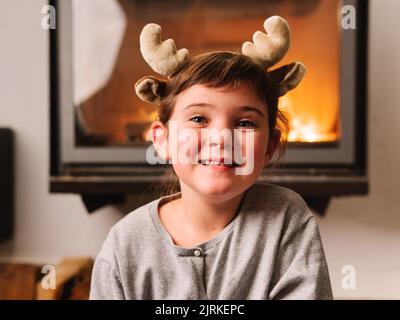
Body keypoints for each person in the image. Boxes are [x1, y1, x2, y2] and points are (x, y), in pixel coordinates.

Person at [89, 16, 333, 300]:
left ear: (270, 146)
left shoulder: (286, 220)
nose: (221, 137)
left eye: (245, 123)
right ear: (162, 140)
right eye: (198, 118)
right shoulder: (125, 243)